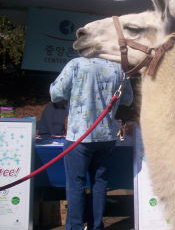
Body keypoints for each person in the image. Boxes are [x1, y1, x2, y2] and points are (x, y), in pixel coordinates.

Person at [50, 57, 133, 230]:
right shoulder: (119, 69)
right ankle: (96, 226)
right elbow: (127, 99)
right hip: (107, 136)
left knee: (75, 184)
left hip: (78, 136)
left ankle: (76, 227)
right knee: (100, 183)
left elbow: (56, 94)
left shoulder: (76, 64)